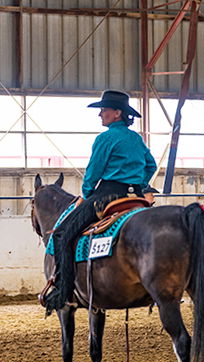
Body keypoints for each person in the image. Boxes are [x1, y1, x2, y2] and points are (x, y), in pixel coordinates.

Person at [43, 90, 156, 311]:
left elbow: (93, 172)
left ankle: (63, 291)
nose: (100, 115)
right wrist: (140, 185)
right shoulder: (135, 138)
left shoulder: (105, 138)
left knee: (61, 234)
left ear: (117, 113)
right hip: (133, 197)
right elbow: (150, 165)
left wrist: (85, 196)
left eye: (104, 110)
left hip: (106, 197)